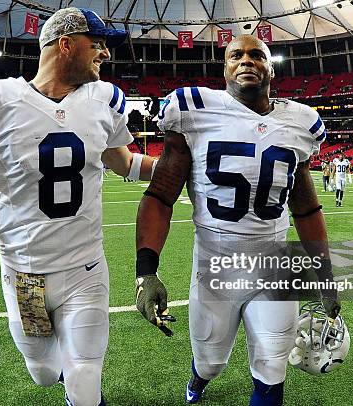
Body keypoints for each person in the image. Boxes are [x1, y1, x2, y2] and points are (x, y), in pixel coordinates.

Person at [0, 8, 156, 406]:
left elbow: (124, 162)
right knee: (42, 373)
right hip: (25, 279)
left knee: (85, 382)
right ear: (65, 44)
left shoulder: (105, 100)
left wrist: (179, 171)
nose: (104, 53)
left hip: (85, 271)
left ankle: (82, 387)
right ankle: (65, 375)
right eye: (98, 43)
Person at [134, 35, 340, 405]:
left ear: (271, 68)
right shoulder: (193, 109)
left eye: (257, 54)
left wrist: (325, 276)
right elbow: (160, 197)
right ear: (225, 68)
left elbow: (306, 209)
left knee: (272, 369)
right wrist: (146, 270)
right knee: (211, 362)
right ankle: (198, 380)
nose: (247, 60)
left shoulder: (301, 122)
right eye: (236, 55)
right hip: (216, 268)